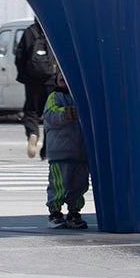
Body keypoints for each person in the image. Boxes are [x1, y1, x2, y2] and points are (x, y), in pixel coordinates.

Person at [43, 70, 89, 228]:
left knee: (79, 185)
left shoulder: (81, 97)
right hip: (60, 152)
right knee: (58, 184)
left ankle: (74, 212)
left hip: (80, 152)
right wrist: (66, 113)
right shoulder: (54, 96)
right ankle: (55, 212)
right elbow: (50, 116)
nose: (62, 76)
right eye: (60, 73)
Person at [14, 19, 57, 156]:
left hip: (33, 81)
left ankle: (32, 133)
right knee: (50, 113)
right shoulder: (54, 31)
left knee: (31, 111)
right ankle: (46, 148)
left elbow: (19, 56)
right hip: (52, 80)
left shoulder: (29, 32)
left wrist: (24, 76)